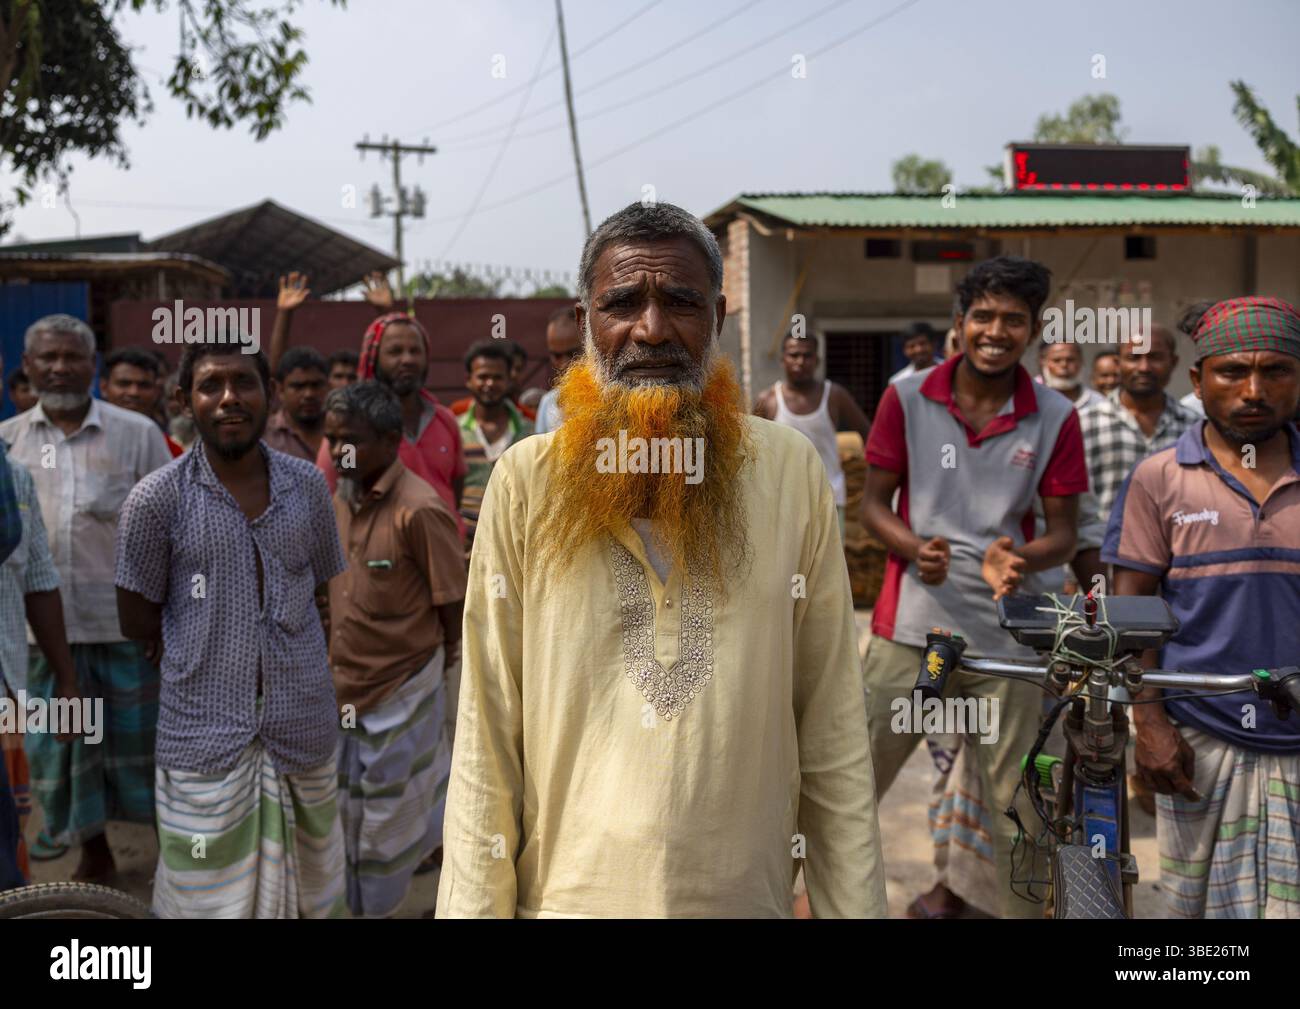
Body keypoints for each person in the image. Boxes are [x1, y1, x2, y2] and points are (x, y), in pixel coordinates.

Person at [438, 201, 887, 918]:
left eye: (679, 301)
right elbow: (486, 731)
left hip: (742, 898)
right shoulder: (525, 481)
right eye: (623, 303)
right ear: (587, 321)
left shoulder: (788, 473)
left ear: (717, 317)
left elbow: (831, 721)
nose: (651, 329)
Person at [860, 255, 1087, 919]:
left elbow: (1064, 533)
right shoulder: (905, 397)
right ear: (960, 323)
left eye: (1013, 319)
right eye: (983, 315)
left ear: (1033, 329)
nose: (996, 330)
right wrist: (913, 546)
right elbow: (875, 504)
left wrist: (1021, 556)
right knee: (848, 783)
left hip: (1007, 637)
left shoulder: (1054, 415)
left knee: (1022, 808)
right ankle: (811, 901)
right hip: (915, 632)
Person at [114, 339, 348, 918]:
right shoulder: (155, 500)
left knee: (313, 886)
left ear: (269, 397)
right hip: (203, 735)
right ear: (184, 400)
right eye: (210, 385)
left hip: (303, 724)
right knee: (202, 897)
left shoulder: (308, 487)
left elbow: (320, 588)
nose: (228, 398)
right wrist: (206, 650)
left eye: (243, 382)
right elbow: (136, 617)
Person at [1104, 296, 1300, 918]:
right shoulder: (1159, 478)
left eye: (1275, 371)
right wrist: (1152, 727)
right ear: (1197, 380)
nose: (1253, 389)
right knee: (1198, 920)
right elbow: (1131, 612)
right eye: (1232, 371)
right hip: (1200, 737)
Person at [0, 314, 171, 881]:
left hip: (122, 631)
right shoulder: (8, 442)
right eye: (47, 357)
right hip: (41, 641)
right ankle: (94, 854)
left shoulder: (136, 434)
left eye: (72, 356)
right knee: (66, 756)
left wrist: (163, 621)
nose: (59, 367)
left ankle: (171, 858)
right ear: (28, 366)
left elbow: (170, 531)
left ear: (92, 365)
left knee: (139, 750)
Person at [322, 381, 466, 917]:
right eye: (332, 439)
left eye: (350, 441)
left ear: (388, 441)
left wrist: (445, 657)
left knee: (390, 825)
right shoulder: (336, 499)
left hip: (402, 689)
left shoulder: (421, 509)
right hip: (343, 689)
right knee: (344, 817)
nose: (338, 452)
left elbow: (451, 603)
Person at [0, 437, 80, 889]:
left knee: (10, 834)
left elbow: (38, 581)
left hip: (7, 695)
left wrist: (66, 682)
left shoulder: (13, 476)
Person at [313, 313, 468, 542]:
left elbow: (455, 487)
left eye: (415, 351)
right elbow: (327, 498)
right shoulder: (349, 428)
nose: (407, 360)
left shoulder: (445, 420)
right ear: (374, 359)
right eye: (395, 351)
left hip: (446, 551)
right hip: (382, 562)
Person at [1072, 324, 1199, 588]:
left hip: (1180, 579)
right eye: (1133, 357)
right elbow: (1073, 511)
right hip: (1099, 574)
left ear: (1173, 362)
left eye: (1154, 357)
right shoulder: (1083, 424)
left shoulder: (1195, 428)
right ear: (1118, 362)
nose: (1144, 367)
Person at [753, 333, 871, 536]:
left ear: (817, 360)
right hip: (784, 503)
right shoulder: (768, 400)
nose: (800, 361)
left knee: (829, 566)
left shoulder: (834, 395)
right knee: (788, 566)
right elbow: (752, 449)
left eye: (807, 355)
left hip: (829, 500)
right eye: (794, 355)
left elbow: (869, 434)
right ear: (783, 359)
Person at [458, 340, 533, 548]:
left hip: (513, 545)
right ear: (469, 380)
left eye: (497, 377)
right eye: (482, 376)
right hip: (464, 547)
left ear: (510, 380)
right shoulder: (454, 430)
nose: (489, 383)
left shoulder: (530, 431)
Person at [101, 348, 184, 457]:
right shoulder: (84, 439)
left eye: (144, 385)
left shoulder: (172, 450)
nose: (134, 392)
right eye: (124, 384)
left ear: (156, 391)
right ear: (104, 387)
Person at [265, 347, 329, 462]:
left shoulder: (345, 433)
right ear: (280, 390)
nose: (309, 394)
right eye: (298, 387)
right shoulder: (265, 437)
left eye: (316, 385)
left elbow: (350, 472)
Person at [533, 305, 582, 435]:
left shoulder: (610, 399)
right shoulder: (548, 403)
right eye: (556, 356)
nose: (565, 364)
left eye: (573, 354)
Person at [1038, 340, 1104, 411]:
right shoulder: (1034, 401)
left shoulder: (1100, 404)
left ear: (1081, 361)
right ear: (1043, 362)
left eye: (1070, 360)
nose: (1064, 365)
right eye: (1056, 360)